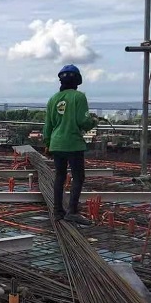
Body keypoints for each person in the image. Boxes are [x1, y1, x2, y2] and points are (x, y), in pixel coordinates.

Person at [43, 64, 98, 225]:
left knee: (60, 176)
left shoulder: (53, 99)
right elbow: (83, 121)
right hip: (73, 143)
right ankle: (72, 211)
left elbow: (48, 125)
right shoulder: (79, 97)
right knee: (78, 177)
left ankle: (58, 211)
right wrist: (93, 121)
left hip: (56, 143)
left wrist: (47, 143)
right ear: (78, 81)